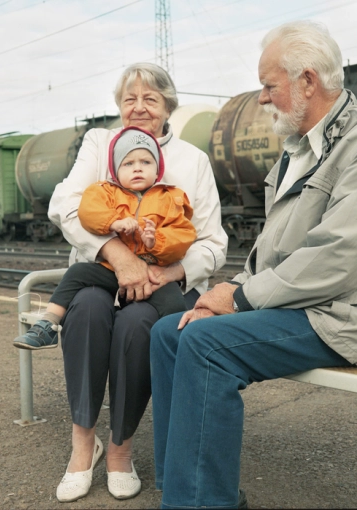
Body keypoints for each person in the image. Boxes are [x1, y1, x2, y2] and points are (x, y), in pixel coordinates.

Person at [150, 20, 357, 509]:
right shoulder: (299, 148)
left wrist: (238, 297)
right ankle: (182, 487)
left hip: (339, 312)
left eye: (269, 87)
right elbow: (270, 251)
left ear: (308, 81)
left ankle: (198, 503)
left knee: (204, 344)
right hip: (302, 302)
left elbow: (338, 257)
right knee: (170, 332)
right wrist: (224, 294)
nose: (262, 99)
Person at [47, 63, 228, 502]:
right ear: (118, 106)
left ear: (168, 105)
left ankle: (120, 450)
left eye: (151, 99)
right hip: (102, 271)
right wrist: (118, 254)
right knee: (87, 311)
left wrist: (168, 272)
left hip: (161, 283)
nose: (139, 107)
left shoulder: (193, 160)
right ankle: (82, 446)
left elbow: (213, 242)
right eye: (130, 99)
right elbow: (65, 207)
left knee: (135, 328)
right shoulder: (97, 143)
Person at [12, 126, 196, 350]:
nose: (137, 168)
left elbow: (183, 234)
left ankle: (175, 351)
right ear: (115, 169)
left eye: (146, 162)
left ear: (158, 168)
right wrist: (113, 222)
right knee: (76, 273)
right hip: (111, 270)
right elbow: (87, 212)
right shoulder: (103, 191)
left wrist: (156, 240)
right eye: (128, 163)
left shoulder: (171, 197)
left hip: (153, 274)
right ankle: (49, 324)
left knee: (175, 302)